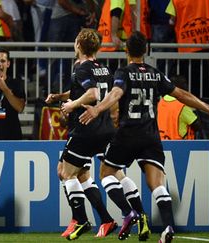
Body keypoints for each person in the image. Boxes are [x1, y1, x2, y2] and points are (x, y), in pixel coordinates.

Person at [79, 31, 209, 243]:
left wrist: (97, 110)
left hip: (127, 134)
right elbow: (182, 94)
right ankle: (168, 227)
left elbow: (116, 94)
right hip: (151, 136)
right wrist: (208, 109)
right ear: (146, 50)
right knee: (157, 184)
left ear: (126, 51)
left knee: (106, 173)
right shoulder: (155, 73)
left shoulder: (124, 72)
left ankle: (129, 212)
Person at [45, 28, 150, 241]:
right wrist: (61, 96)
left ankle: (82, 219)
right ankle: (136, 214)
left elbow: (91, 94)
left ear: (78, 46)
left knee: (65, 173)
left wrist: (72, 105)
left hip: (86, 129)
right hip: (106, 130)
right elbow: (96, 92)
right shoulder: (103, 70)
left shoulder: (81, 69)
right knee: (115, 173)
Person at [157, 75, 202, 140]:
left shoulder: (160, 103)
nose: (187, 87)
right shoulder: (182, 107)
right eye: (185, 84)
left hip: (160, 142)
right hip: (178, 145)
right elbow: (197, 125)